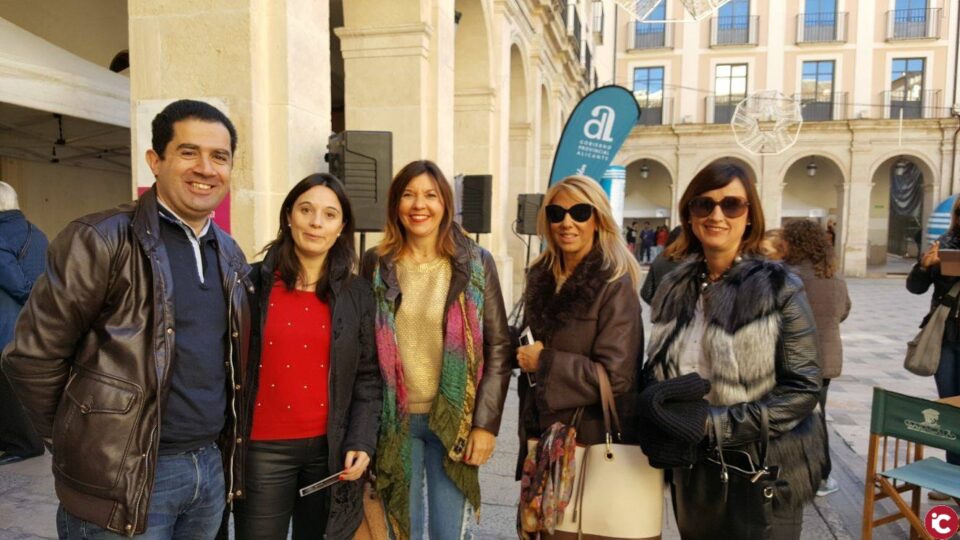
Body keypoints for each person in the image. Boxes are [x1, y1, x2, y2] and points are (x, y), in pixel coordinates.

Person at [2, 100, 251, 538]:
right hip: (124, 476)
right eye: (189, 152)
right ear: (155, 161)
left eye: (220, 156)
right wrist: (80, 441)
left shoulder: (229, 253)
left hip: (209, 471)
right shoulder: (100, 239)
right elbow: (31, 359)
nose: (206, 168)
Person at [645, 162, 823, 539]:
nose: (716, 215)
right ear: (689, 217)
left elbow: (803, 390)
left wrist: (713, 424)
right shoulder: (674, 287)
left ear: (750, 216)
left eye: (731, 205)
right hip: (694, 469)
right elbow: (661, 370)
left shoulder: (778, 287)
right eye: (703, 204)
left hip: (763, 472)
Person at [360, 160, 512, 540]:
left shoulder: (475, 263)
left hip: (453, 422)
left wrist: (485, 424)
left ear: (445, 203)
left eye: (430, 195)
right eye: (408, 195)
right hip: (394, 422)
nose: (419, 205)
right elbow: (363, 347)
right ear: (396, 204)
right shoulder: (376, 263)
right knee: (399, 529)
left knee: (448, 533)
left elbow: (498, 346)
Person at [233, 174, 382, 539]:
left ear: (341, 227)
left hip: (329, 454)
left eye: (329, 215)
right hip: (261, 450)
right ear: (288, 216)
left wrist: (361, 441)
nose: (316, 222)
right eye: (306, 210)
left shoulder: (357, 294)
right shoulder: (249, 285)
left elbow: (367, 376)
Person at [515, 175, 643, 526]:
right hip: (542, 439)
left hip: (590, 437)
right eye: (556, 213)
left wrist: (544, 361)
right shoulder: (542, 277)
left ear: (598, 218)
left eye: (579, 212)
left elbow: (616, 376)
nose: (566, 222)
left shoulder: (614, 285)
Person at [782, 219, 850, 497]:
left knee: (790, 417)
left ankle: (798, 473)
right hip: (826, 360)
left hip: (794, 359)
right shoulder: (834, 277)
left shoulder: (788, 276)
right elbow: (843, 311)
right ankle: (822, 476)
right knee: (817, 416)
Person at [906, 196, 960, 499]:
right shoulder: (945, 242)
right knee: (951, 410)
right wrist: (924, 266)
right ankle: (953, 479)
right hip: (947, 340)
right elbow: (915, 287)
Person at [0, 181, 48, 465]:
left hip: (6, 326)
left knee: (6, 389)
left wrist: (31, 294)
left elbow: (15, 282)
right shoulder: (36, 232)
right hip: (35, 325)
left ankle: (23, 444)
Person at [639, 225, 682, 306]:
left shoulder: (659, 259)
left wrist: (659, 307)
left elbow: (646, 293)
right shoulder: (696, 262)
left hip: (662, 315)